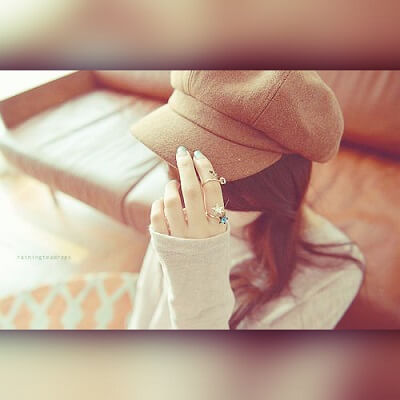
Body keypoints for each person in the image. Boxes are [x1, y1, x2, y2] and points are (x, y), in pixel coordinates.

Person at [128, 71, 364, 329]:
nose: (190, 191)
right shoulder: (184, 198)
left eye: (219, 180)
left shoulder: (332, 275)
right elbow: (147, 307)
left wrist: (199, 295)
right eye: (177, 161)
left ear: (279, 182)